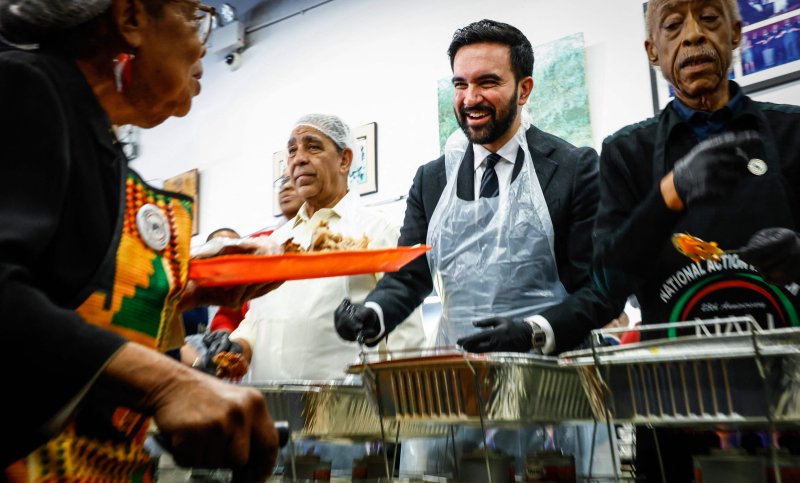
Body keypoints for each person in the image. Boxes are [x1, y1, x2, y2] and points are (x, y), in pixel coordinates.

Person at [0, 0, 281, 479]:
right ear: (130, 18)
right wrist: (165, 384)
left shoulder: (93, 133)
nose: (200, 43)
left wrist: (180, 293)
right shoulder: (25, 89)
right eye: (195, 16)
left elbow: (69, 299)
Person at [593, 0, 800, 480]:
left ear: (736, 33)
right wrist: (665, 198)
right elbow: (605, 282)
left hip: (791, 398)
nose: (692, 35)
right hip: (677, 405)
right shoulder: (627, 153)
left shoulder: (794, 133)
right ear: (653, 51)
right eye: (672, 24)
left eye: (709, 19)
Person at [334, 19, 621, 357]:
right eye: (460, 84)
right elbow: (409, 276)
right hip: (460, 375)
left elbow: (601, 289)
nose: (470, 99)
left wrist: (534, 331)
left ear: (524, 89)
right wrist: (373, 313)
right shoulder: (432, 180)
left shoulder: (574, 168)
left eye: (487, 82)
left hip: (555, 372)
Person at [200, 113, 426, 381]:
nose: (299, 158)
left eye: (313, 146)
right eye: (292, 150)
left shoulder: (377, 231)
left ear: (344, 160)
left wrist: (404, 410)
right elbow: (257, 318)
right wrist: (238, 345)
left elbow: (405, 335)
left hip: (350, 409)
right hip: (273, 405)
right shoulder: (277, 241)